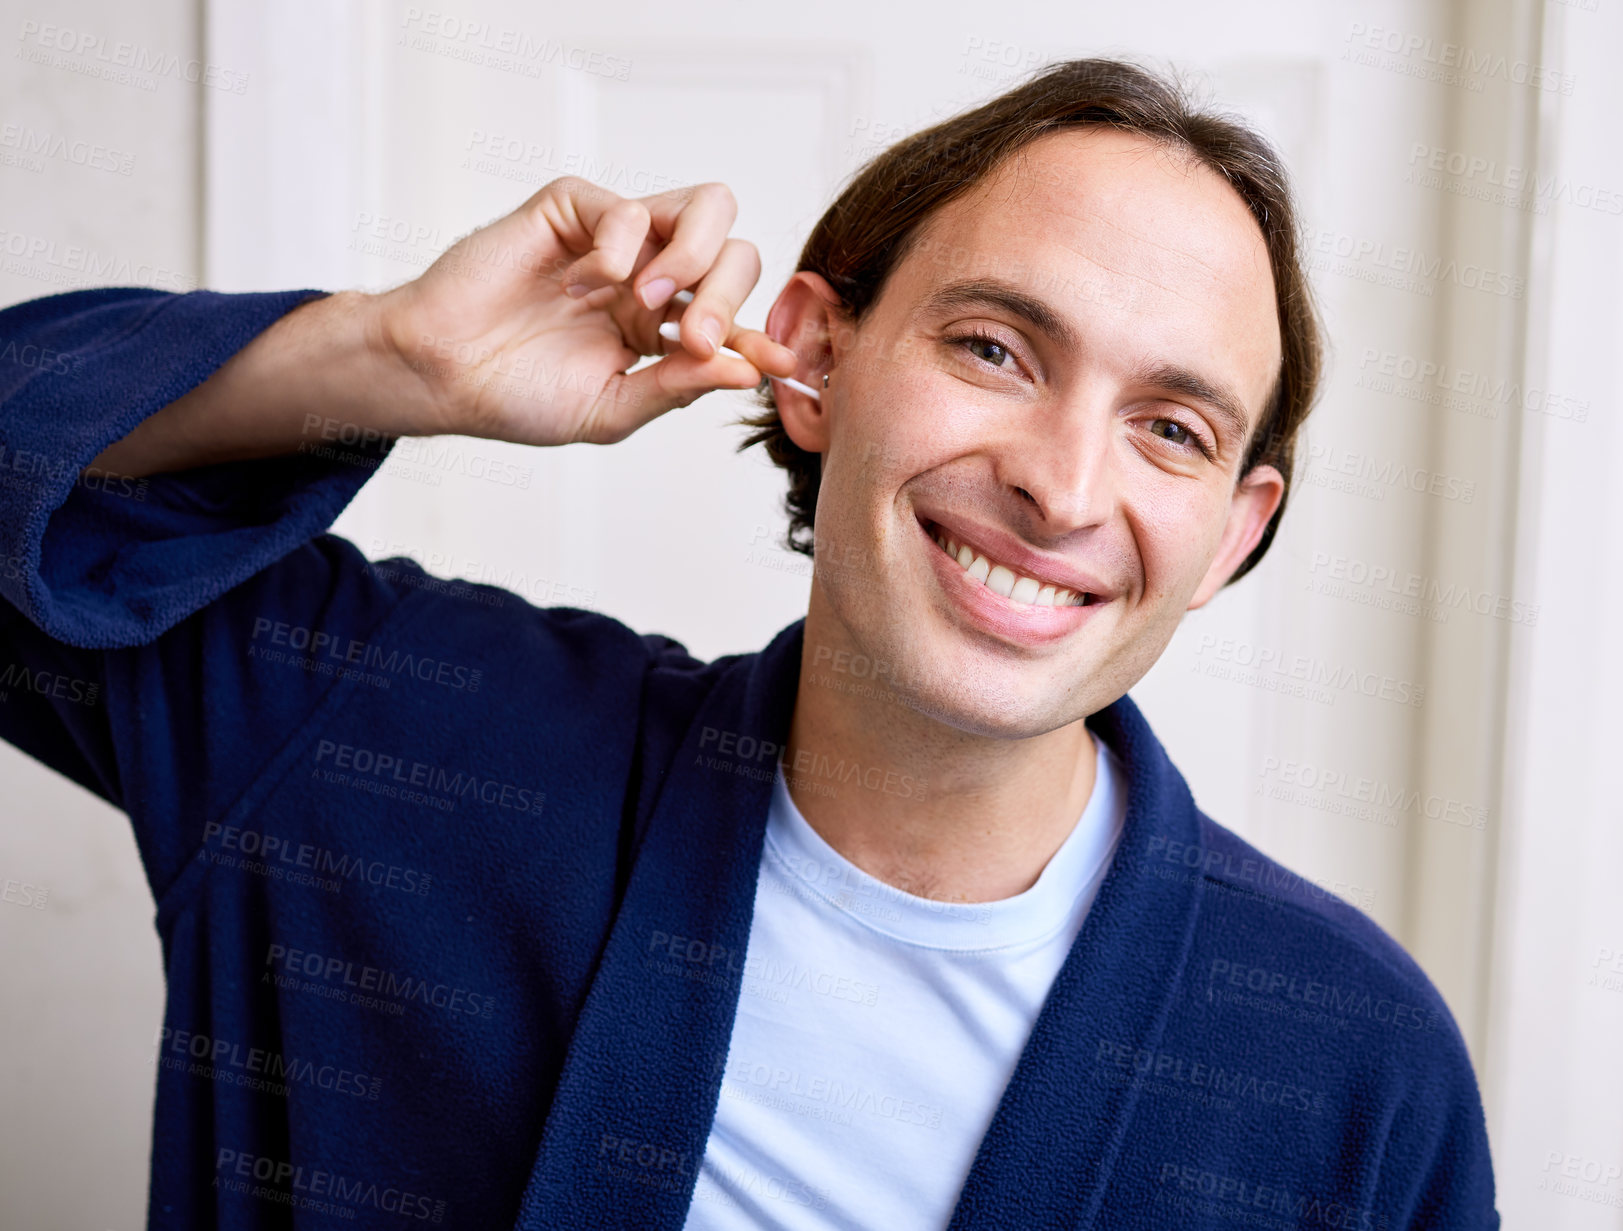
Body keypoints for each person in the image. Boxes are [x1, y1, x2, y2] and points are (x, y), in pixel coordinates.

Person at [0, 58, 1497, 1230]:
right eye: (994, 349)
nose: (1062, 483)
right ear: (818, 359)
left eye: (1170, 429)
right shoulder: (401, 746)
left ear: (1234, 533)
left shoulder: (1357, 1073)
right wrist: (398, 355)